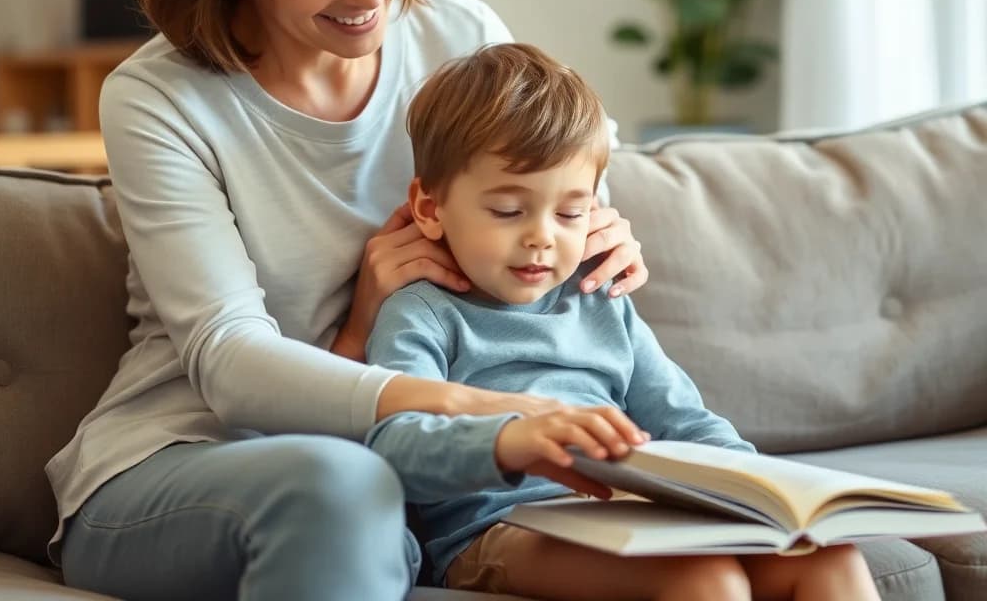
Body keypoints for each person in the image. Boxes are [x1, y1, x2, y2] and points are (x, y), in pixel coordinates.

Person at [46, 0, 649, 601]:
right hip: (187, 458)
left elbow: (555, 183)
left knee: (373, 498)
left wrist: (603, 228)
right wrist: (479, 409)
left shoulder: (458, 33)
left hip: (398, 466)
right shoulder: (160, 98)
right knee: (345, 490)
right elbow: (228, 361)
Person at [365, 43, 880, 601]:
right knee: (703, 579)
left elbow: (686, 420)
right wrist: (510, 440)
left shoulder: (599, 299)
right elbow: (397, 446)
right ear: (430, 209)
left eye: (570, 213)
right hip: (496, 531)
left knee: (826, 558)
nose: (543, 235)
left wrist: (768, 490)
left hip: (627, 519)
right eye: (508, 210)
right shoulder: (421, 313)